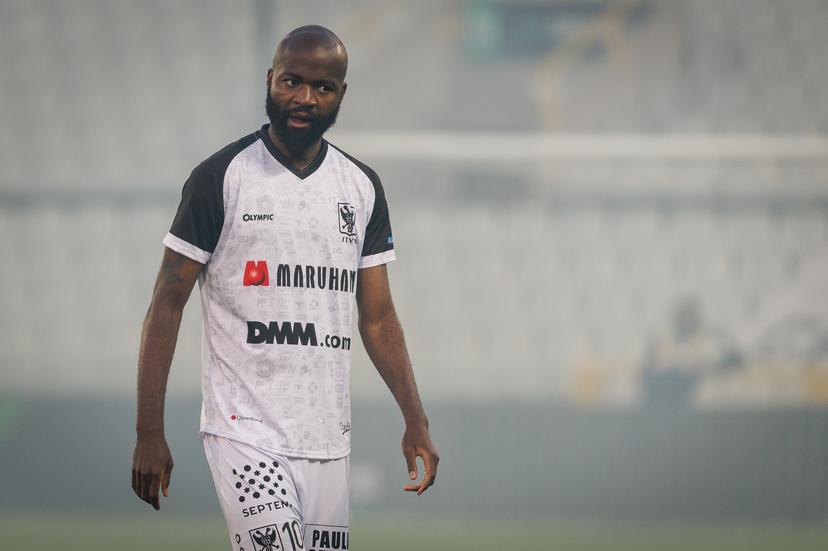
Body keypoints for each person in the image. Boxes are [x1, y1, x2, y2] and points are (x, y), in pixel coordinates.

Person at [131, 25, 438, 550]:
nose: (304, 98)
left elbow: (379, 316)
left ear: (342, 94)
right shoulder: (221, 177)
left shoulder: (361, 187)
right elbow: (166, 303)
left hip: (327, 439)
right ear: (270, 79)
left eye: (323, 87)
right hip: (243, 431)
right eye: (292, 82)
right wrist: (148, 431)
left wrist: (416, 420)